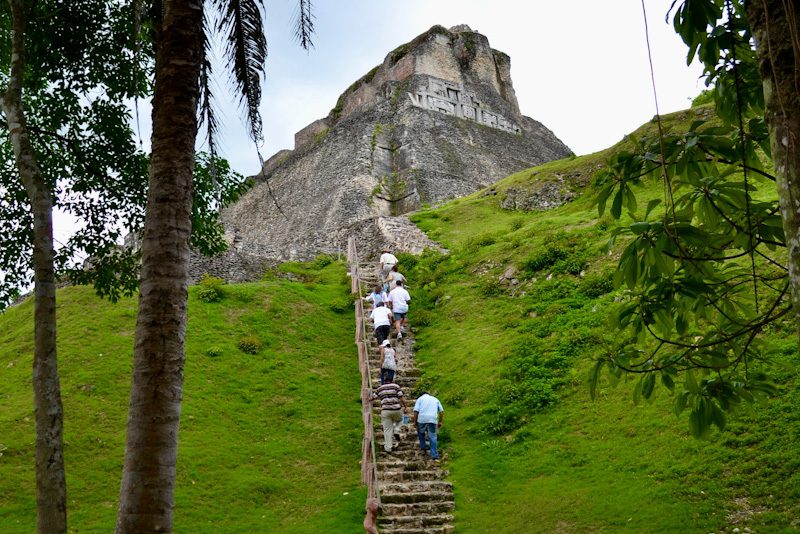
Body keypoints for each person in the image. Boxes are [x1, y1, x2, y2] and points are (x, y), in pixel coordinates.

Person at [372, 378, 407, 453]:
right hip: (397, 409)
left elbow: (373, 397)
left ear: (384, 381)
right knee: (401, 420)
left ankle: (388, 448)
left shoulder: (380, 389)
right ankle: (397, 429)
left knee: (387, 430)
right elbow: (401, 398)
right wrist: (405, 407)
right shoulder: (396, 386)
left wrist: (368, 399)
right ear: (391, 381)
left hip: (386, 411)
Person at [413, 391, 444, 461]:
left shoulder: (420, 399)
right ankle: (434, 455)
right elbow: (441, 412)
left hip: (422, 419)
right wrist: (440, 422)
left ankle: (423, 449)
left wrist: (415, 422)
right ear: (428, 394)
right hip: (433, 419)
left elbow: (416, 411)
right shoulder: (435, 399)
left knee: (421, 434)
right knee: (433, 437)